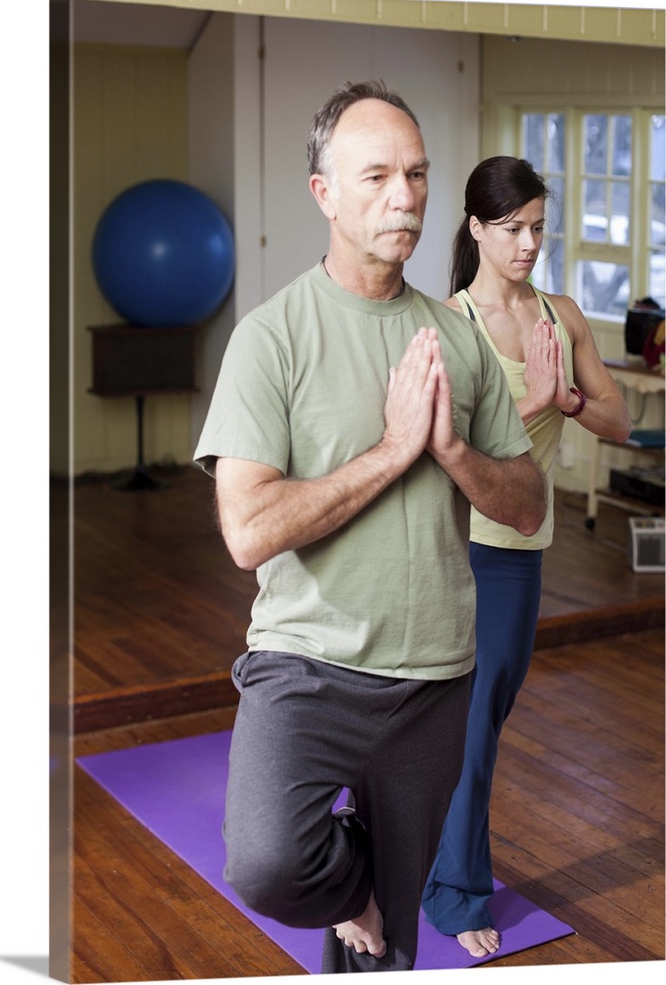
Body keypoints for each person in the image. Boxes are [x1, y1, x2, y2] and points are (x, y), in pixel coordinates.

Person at [194, 83, 547, 974]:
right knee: (270, 860)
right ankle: (350, 889)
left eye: (418, 174)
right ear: (324, 193)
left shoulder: (453, 340)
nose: (406, 196)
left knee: (390, 949)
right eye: (379, 175)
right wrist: (393, 452)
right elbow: (247, 532)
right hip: (305, 667)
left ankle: (371, 909)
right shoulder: (270, 338)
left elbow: (529, 502)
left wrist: (453, 451)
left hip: (434, 676)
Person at [421, 155, 632, 959]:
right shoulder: (447, 323)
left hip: (522, 551)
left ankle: (389, 827)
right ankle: (455, 891)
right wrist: (535, 401)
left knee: (488, 721)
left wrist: (568, 397)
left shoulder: (561, 314)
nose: (528, 244)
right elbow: (449, 442)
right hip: (457, 545)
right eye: (512, 229)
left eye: (538, 228)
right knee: (472, 730)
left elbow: (614, 420)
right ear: (477, 229)